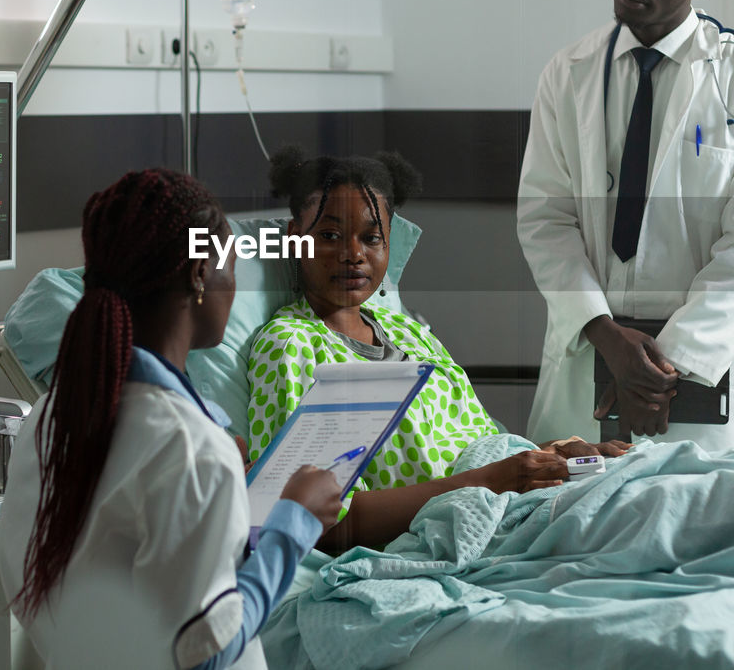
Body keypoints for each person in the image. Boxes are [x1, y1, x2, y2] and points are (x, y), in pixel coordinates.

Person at [0, 169, 343, 670]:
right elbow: (204, 656)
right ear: (200, 273)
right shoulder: (191, 447)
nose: (236, 283)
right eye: (232, 265)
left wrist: (223, 504)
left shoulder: (51, 417)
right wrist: (294, 524)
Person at [517, 0, 734, 451]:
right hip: (587, 356)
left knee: (692, 530)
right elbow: (546, 219)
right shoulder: (567, 74)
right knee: (565, 527)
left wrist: (659, 370)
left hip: (694, 377)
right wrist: (606, 336)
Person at [247, 147, 628, 551]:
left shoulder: (409, 332)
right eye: (329, 235)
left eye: (371, 238)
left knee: (655, 475)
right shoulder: (291, 345)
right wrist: (492, 481)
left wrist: (553, 456)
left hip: (511, 497)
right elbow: (316, 522)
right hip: (469, 522)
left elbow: (475, 443)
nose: (353, 254)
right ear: (293, 239)